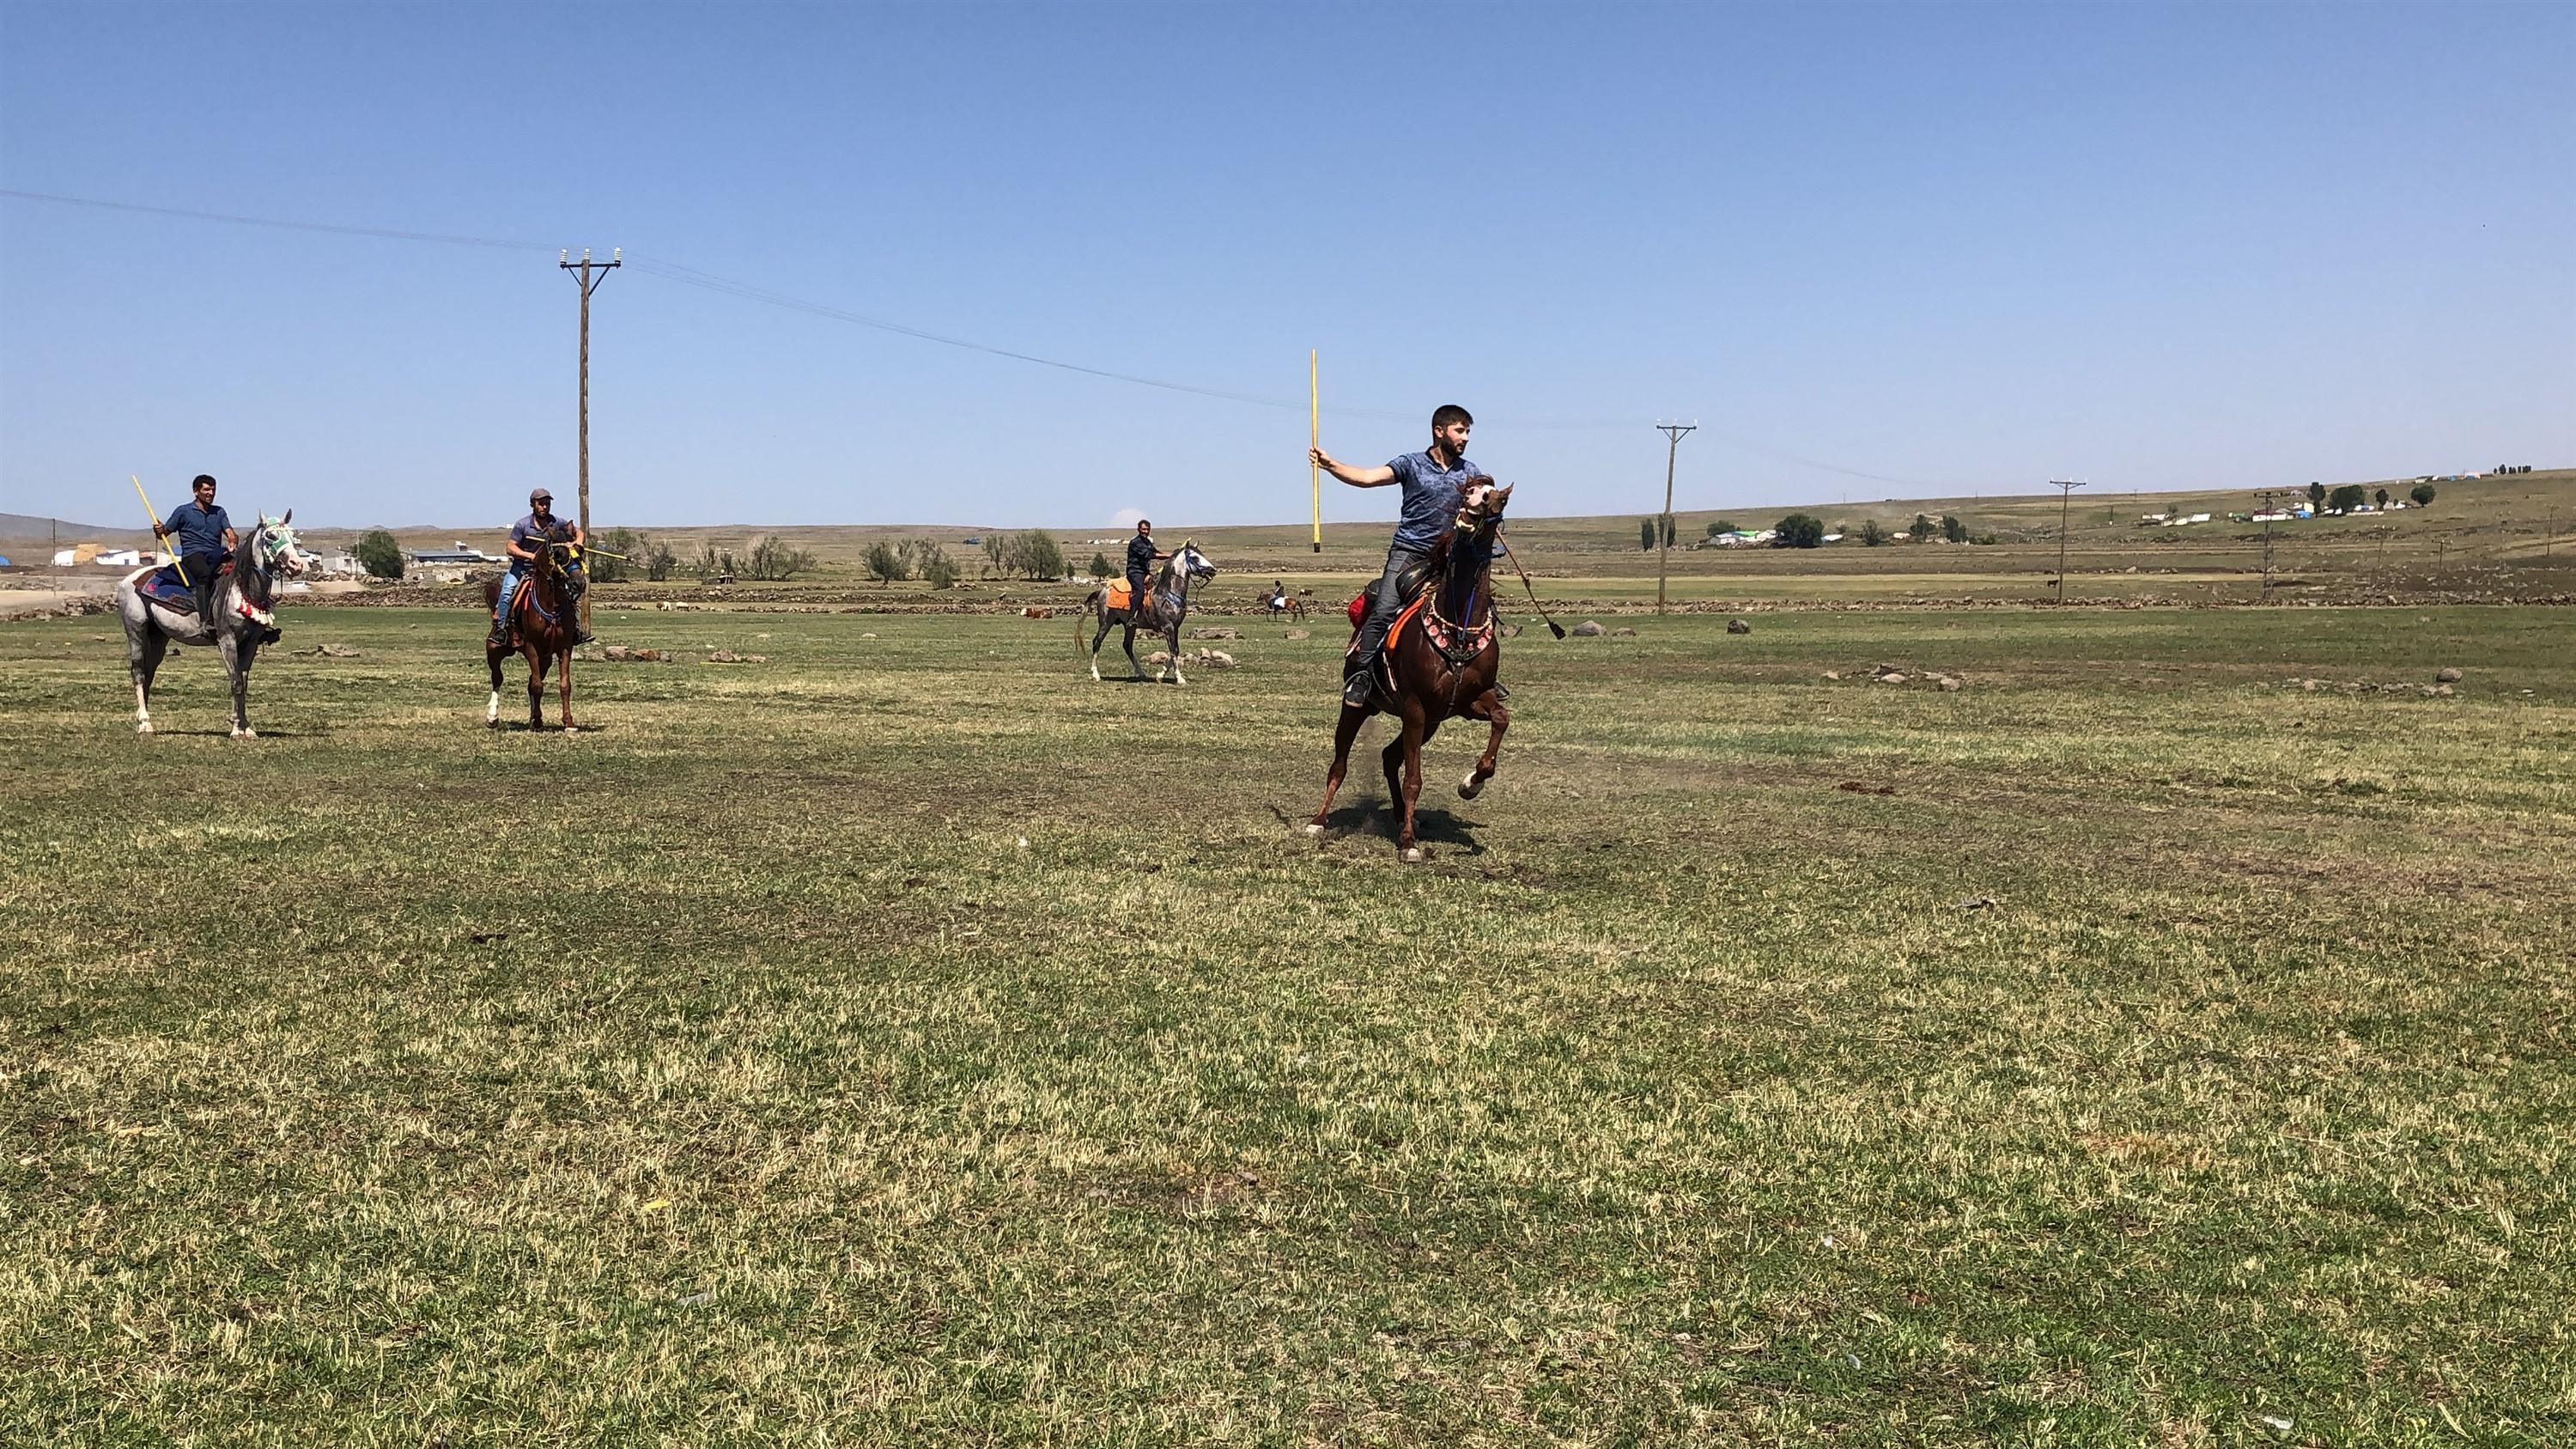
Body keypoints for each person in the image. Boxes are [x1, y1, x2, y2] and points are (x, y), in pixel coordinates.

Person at [1309, 403, 1484, 706]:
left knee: (1477, 609)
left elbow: (1481, 503)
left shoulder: (1471, 473)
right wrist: (1330, 464)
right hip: (1410, 552)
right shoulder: (1411, 464)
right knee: (1385, 608)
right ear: (1439, 431)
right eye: (1460, 430)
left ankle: (1482, 677)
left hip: (1451, 558)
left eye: (1468, 432)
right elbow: (1366, 477)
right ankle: (1361, 676)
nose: (1465, 437)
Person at [489, 487, 593, 647]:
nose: (544, 507)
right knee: (507, 592)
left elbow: (578, 532)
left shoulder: (556, 522)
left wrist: (577, 542)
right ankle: (502, 629)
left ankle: (575, 629)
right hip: (523, 567)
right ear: (533, 505)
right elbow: (510, 547)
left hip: (548, 570)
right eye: (541, 504)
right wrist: (531, 556)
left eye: (547, 504)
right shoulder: (522, 525)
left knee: (569, 591)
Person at [151, 473, 238, 624]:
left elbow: (230, 532)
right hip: (193, 554)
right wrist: (159, 529)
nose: (211, 493)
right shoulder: (183, 511)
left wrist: (232, 539)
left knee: (242, 570)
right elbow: (165, 532)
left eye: (213, 490)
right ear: (196, 491)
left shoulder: (219, 512)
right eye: (206, 490)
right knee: (204, 574)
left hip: (215, 553)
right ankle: (206, 621)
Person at [1124, 519, 1170, 621]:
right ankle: (1131, 617)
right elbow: (1149, 555)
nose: (1145, 531)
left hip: (1145, 572)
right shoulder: (1135, 542)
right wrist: (1169, 555)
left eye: (1147, 529)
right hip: (1134, 571)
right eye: (1143, 529)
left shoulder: (1148, 542)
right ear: (1138, 529)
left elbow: (1157, 552)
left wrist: (1170, 556)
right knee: (1140, 591)